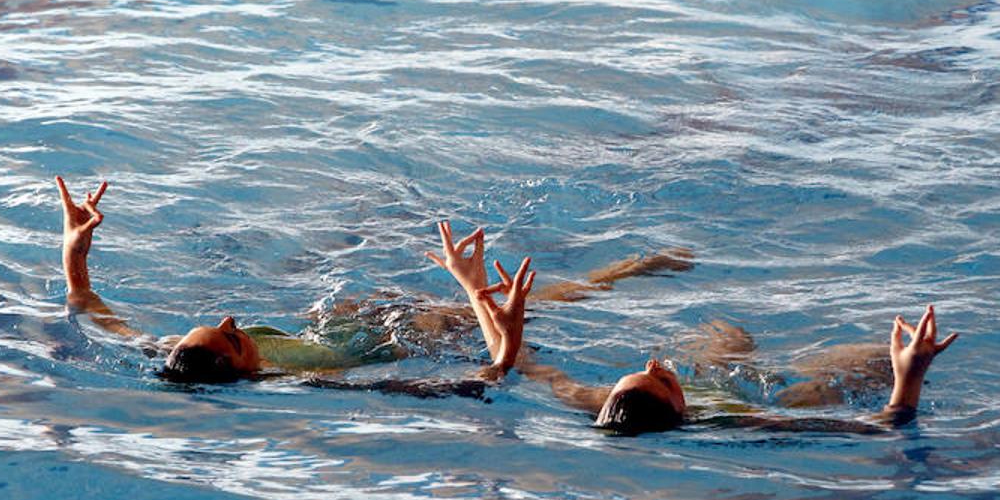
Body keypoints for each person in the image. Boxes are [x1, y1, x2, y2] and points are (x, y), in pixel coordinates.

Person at [56, 177, 692, 389]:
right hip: (404, 337)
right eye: (235, 341)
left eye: (223, 325)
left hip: (350, 315)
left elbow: (90, 307)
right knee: (539, 297)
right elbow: (476, 384)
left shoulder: (175, 353)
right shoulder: (304, 383)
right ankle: (626, 271)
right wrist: (504, 341)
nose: (229, 323)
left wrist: (74, 251)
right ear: (249, 372)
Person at [428, 222, 960, 434]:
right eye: (659, 379)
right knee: (869, 356)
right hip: (768, 396)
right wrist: (908, 374)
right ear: (682, 410)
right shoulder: (738, 423)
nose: (656, 365)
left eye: (635, 375)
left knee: (729, 336)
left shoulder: (593, 401)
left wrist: (472, 289)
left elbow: (516, 365)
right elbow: (880, 427)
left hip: (714, 376)